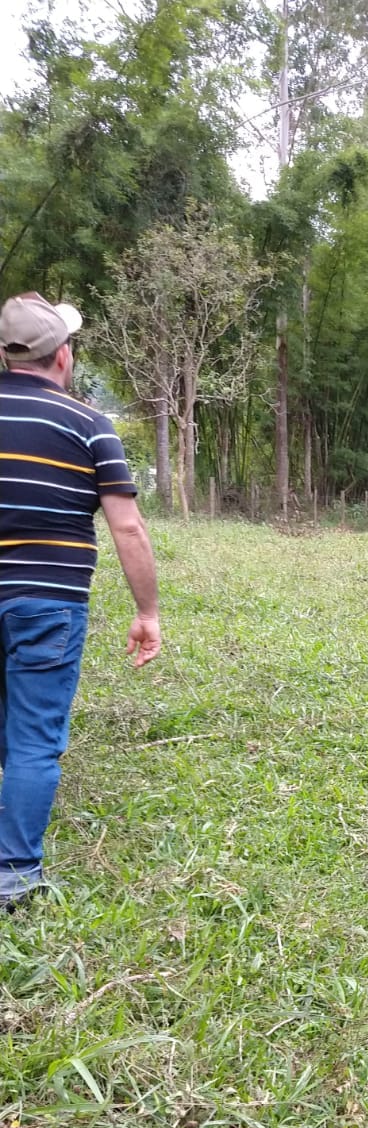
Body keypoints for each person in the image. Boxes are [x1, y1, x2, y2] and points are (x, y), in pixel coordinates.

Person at [0, 292, 161, 910]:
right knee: (35, 738)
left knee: (18, 734)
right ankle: (15, 873)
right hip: (48, 603)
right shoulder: (89, 424)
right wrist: (147, 613)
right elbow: (128, 528)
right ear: (63, 356)